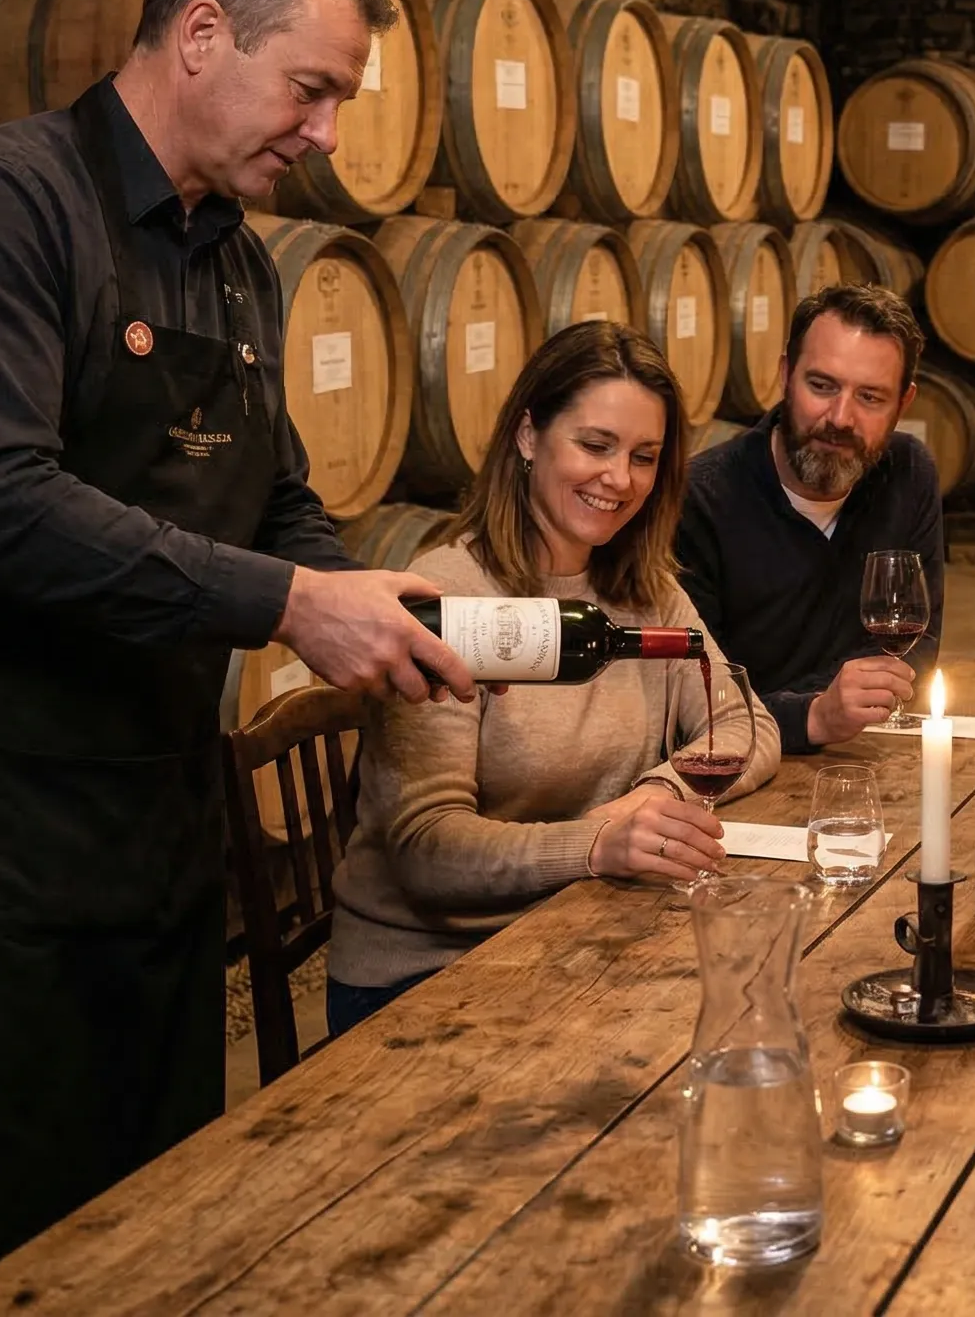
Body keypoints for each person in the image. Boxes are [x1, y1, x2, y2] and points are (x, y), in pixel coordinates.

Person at [0, 0, 474, 1316]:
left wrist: (406, 604)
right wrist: (292, 602)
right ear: (199, 37)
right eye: (311, 89)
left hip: (153, 816)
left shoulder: (232, 258)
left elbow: (277, 497)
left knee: (152, 1218)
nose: (323, 133)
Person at [328, 322, 780, 1033]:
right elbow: (427, 849)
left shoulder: (645, 589)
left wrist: (657, 793)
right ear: (529, 435)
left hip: (580, 937)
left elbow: (749, 726)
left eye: (644, 457)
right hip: (429, 975)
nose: (619, 479)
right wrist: (597, 843)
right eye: (595, 445)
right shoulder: (449, 602)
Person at [676, 284, 942, 750]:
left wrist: (840, 706)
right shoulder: (698, 500)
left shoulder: (908, 473)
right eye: (821, 386)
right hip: (736, 778)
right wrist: (817, 713)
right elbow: (693, 701)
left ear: (903, 405)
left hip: (862, 752)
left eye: (871, 398)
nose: (840, 417)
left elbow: (919, 641)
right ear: (784, 374)